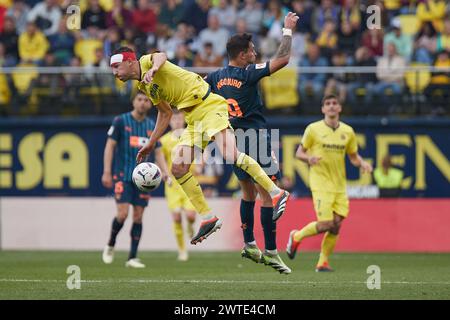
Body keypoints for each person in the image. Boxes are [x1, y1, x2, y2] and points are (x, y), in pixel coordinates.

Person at [110, 46, 290, 246]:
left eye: (117, 66)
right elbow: (165, 113)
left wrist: (153, 69)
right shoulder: (145, 87)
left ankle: (277, 192)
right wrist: (151, 143)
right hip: (194, 118)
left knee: (230, 154)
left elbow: (161, 56)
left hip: (209, 106)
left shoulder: (146, 62)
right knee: (178, 168)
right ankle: (208, 217)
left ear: (129, 61)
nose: (114, 72)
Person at [204, 12, 299, 274]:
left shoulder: (214, 78)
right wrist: (287, 30)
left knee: (247, 194)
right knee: (269, 194)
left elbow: (198, 97)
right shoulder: (247, 74)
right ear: (243, 54)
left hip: (233, 140)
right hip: (255, 138)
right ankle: (270, 251)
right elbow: (283, 59)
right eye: (252, 50)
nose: (255, 53)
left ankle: (249, 244)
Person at [286, 94, 372, 272]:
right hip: (320, 183)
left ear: (339, 108)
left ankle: (322, 262)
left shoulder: (347, 131)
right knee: (326, 223)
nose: (331, 106)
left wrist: (362, 163)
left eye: (335, 103)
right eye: (328, 104)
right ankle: (297, 237)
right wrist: (309, 158)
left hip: (339, 185)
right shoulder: (313, 129)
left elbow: (353, 156)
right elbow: (298, 153)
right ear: (323, 109)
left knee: (336, 225)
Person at [101, 91, 169, 268]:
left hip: (144, 181)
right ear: (133, 102)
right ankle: (111, 243)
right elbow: (110, 146)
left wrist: (165, 172)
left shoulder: (151, 125)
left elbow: (158, 151)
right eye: (140, 99)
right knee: (122, 214)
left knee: (138, 216)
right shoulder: (120, 121)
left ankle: (132, 257)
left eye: (147, 100)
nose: (143, 103)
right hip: (123, 176)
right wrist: (107, 171)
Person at [159, 110, 196, 261]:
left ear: (184, 120)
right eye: (174, 119)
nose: (177, 121)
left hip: (188, 182)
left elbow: (200, 153)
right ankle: (182, 250)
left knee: (190, 216)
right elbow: (160, 158)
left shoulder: (190, 136)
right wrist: (163, 173)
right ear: (169, 121)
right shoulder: (164, 140)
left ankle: (191, 225)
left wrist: (200, 164)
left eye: (179, 119)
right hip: (173, 185)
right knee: (176, 218)